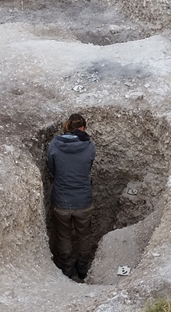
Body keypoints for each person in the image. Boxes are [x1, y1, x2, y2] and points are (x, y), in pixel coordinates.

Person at [47, 114, 96, 280]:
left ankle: (67, 269)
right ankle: (82, 269)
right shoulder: (89, 146)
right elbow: (87, 168)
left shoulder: (54, 144)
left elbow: (52, 169)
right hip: (83, 200)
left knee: (64, 236)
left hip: (61, 200)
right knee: (84, 236)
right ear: (82, 128)